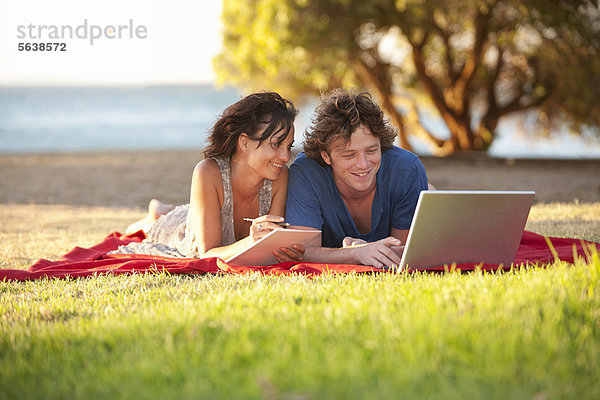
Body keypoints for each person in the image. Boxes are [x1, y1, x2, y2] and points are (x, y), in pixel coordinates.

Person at [113, 92, 304, 262]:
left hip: (201, 210)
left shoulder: (280, 176)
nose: (286, 157)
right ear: (244, 142)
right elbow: (208, 254)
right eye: (276, 144)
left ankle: (163, 209)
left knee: (184, 210)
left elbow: (272, 240)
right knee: (154, 226)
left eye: (289, 146)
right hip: (178, 228)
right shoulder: (207, 172)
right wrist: (251, 240)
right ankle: (156, 213)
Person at [285, 89, 428, 268]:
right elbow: (301, 252)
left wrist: (360, 250)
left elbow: (403, 256)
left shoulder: (407, 169)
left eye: (372, 150)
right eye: (349, 155)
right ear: (326, 157)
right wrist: (355, 253)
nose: (363, 164)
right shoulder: (306, 172)